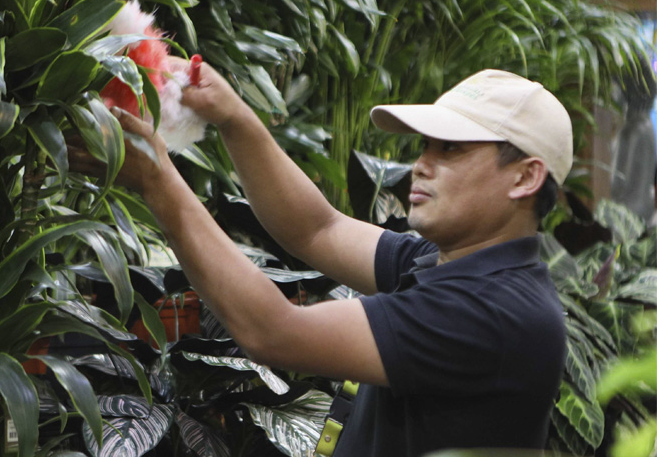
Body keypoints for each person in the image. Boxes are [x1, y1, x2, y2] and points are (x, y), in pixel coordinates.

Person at [69, 66, 569, 456]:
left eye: (452, 149)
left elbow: (274, 332)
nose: (421, 162)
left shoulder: (492, 312)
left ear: (525, 178)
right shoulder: (453, 263)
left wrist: (158, 180)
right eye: (425, 145)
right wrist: (232, 115)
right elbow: (316, 228)